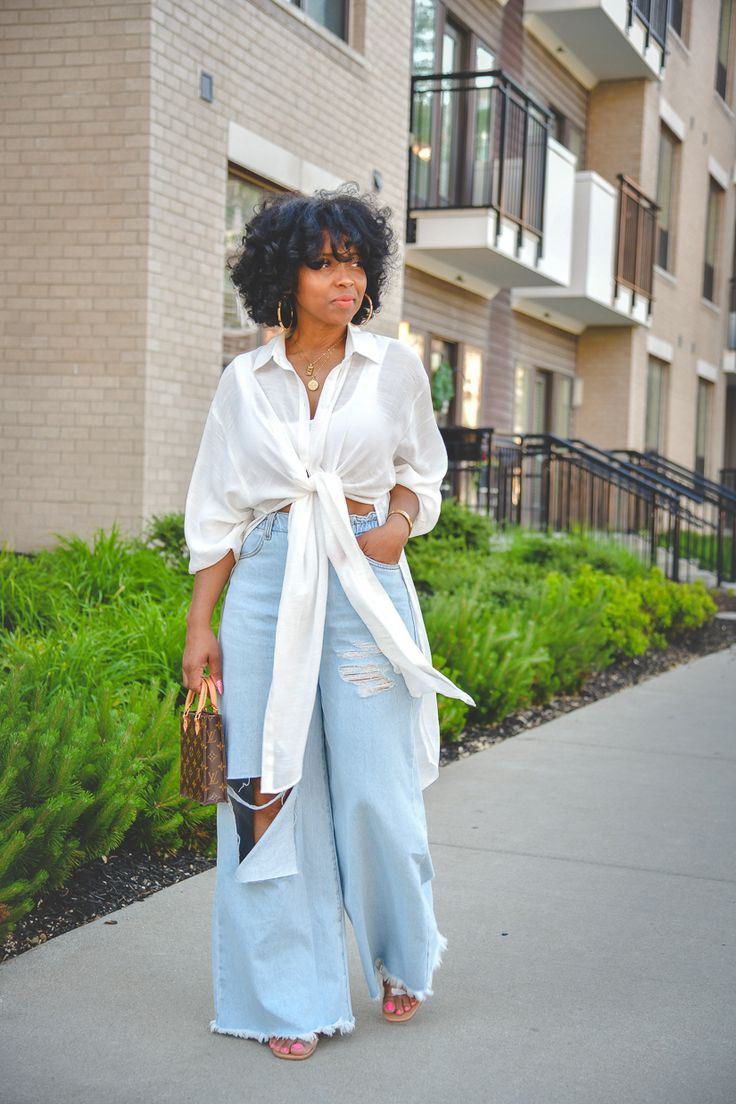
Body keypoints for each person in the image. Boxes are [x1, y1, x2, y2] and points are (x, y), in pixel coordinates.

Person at [182, 184, 475, 1061]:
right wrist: (201, 627)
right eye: (323, 264)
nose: (345, 279)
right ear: (286, 275)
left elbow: (423, 469)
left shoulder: (393, 369)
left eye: (354, 262)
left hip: (362, 574)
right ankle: (287, 997)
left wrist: (394, 529)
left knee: (376, 791)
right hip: (267, 582)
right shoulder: (244, 382)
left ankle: (400, 955)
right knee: (268, 792)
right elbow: (218, 512)